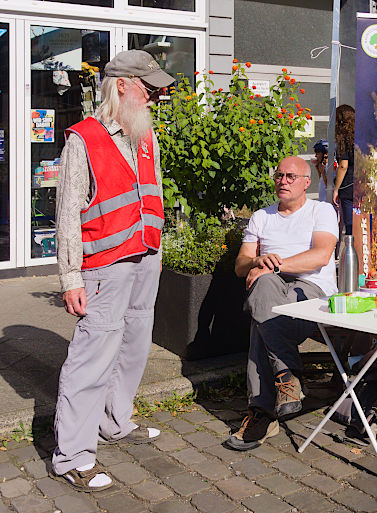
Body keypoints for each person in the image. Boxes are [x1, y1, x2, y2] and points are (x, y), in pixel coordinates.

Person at [52, 50, 175, 491]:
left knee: (135, 345)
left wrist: (157, 250)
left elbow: (152, 191)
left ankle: (114, 421)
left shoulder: (146, 136)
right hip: (104, 264)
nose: (154, 96)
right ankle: (72, 456)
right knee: (93, 357)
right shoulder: (82, 140)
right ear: (122, 85)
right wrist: (70, 278)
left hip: (145, 258)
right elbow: (67, 213)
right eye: (148, 87)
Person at [226, 156, 339, 451]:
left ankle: (262, 413)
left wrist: (274, 266)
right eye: (279, 175)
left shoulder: (322, 210)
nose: (283, 181)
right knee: (263, 289)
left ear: (306, 182)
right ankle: (287, 376)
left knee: (260, 321)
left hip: (312, 291)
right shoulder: (261, 217)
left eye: (290, 176)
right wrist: (256, 260)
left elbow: (320, 256)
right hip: (271, 289)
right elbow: (240, 266)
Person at [333, 104, 354, 239]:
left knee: (350, 225)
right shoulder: (359, 136)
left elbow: (343, 165)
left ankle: (352, 257)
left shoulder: (343, 140)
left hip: (348, 186)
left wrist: (336, 189)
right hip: (363, 184)